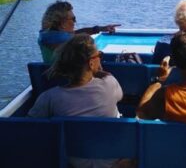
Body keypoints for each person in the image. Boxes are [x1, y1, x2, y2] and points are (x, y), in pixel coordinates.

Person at [28, 34, 128, 168]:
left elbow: (29, 126)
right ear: (91, 63)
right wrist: (99, 72)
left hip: (73, 164)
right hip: (112, 163)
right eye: (99, 55)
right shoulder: (109, 84)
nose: (101, 59)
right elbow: (119, 96)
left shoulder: (49, 98)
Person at [38, 0, 121, 63]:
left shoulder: (46, 37)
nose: (75, 22)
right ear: (62, 23)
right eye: (73, 19)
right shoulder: (70, 43)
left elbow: (76, 33)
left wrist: (100, 28)